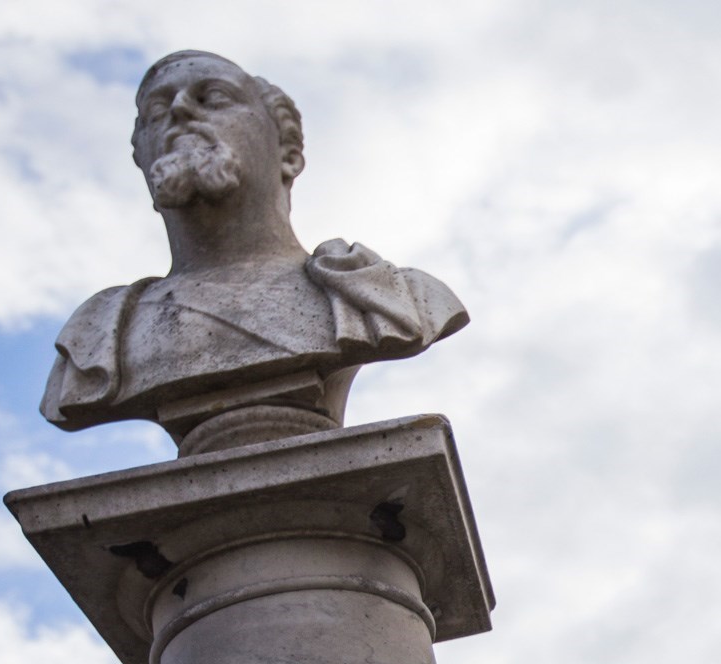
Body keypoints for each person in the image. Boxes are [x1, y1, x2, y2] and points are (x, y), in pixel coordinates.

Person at [40, 51, 467, 453]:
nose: (180, 111)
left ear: (289, 151)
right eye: (156, 110)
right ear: (142, 155)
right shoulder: (102, 335)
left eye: (214, 97)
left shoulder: (376, 294)